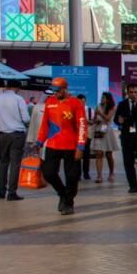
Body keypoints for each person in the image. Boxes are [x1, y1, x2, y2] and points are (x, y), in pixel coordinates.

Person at [36, 77, 87, 215]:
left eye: (58, 90)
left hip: (71, 146)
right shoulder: (50, 102)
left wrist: (80, 146)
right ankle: (62, 193)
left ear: (65, 89)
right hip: (53, 144)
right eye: (53, 91)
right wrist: (39, 141)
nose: (55, 93)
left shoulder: (76, 103)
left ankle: (69, 203)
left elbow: (82, 125)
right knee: (48, 173)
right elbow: (45, 124)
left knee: (72, 176)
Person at [0, 84, 31, 200]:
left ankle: (1, 191)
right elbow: (26, 118)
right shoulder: (18, 99)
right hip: (17, 134)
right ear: (16, 88)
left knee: (3, 163)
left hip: (2, 135)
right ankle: (12, 192)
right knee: (15, 164)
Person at [91, 91, 120, 183]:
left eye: (103, 98)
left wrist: (100, 113)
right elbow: (94, 120)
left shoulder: (112, 107)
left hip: (107, 131)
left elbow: (108, 118)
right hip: (98, 130)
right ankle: (99, 176)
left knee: (108, 154)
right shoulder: (98, 107)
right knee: (98, 153)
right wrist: (95, 120)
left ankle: (111, 172)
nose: (102, 99)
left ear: (108, 99)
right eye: (101, 97)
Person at [76, 94, 93, 180]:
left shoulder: (89, 110)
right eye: (79, 102)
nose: (81, 103)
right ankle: (78, 174)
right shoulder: (74, 110)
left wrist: (85, 120)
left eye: (83, 101)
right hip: (77, 135)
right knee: (78, 155)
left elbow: (93, 122)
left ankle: (86, 173)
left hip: (87, 135)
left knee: (86, 155)